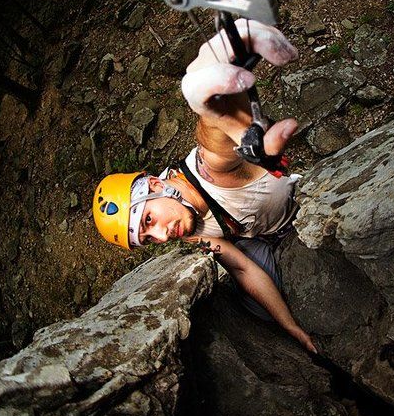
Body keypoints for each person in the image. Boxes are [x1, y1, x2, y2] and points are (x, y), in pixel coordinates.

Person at [93, 20, 316, 353]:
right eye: (148, 240)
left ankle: (210, 86)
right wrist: (289, 326)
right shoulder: (192, 234)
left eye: (149, 221)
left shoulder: (205, 173)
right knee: (258, 310)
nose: (161, 236)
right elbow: (240, 267)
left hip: (293, 208)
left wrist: (210, 107)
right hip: (263, 236)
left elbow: (214, 151)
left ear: (156, 184)